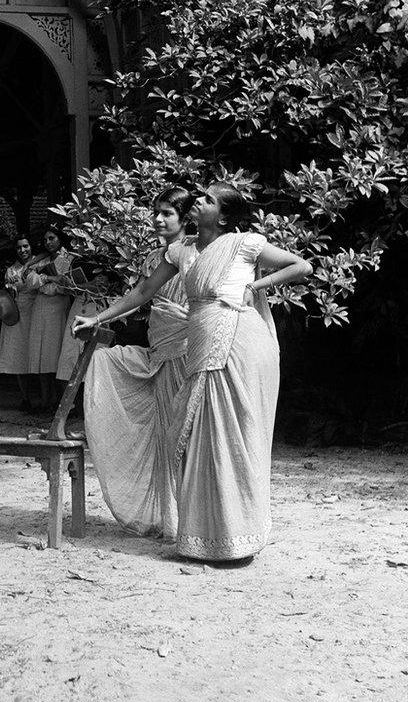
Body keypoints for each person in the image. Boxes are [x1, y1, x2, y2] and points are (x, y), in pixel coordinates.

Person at [74, 182, 311, 563]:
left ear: (224, 215)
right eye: (200, 198)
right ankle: (205, 538)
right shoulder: (180, 250)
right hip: (201, 345)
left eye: (208, 200)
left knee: (231, 432)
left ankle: (238, 538)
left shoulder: (244, 243)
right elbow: (142, 292)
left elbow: (301, 265)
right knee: (194, 435)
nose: (198, 202)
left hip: (240, 343)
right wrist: (97, 317)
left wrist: (255, 285)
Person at [78, 187, 194, 538]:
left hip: (189, 351)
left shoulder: (199, 251)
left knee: (186, 436)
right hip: (159, 352)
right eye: (156, 212)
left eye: (167, 214)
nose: (158, 219)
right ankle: (174, 520)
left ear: (185, 218)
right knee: (164, 433)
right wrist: (98, 319)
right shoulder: (154, 257)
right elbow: (139, 296)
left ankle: (199, 521)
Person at [25, 226, 71, 411]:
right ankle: (45, 399)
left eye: (51, 238)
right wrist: (49, 279)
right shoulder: (42, 259)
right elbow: (30, 282)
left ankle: (60, 401)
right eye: (45, 240)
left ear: (59, 239)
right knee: (40, 354)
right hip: (40, 308)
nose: (48, 243)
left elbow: (63, 287)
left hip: (57, 308)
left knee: (55, 352)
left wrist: (43, 281)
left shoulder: (67, 259)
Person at [0, 234, 38, 411]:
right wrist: (10, 286)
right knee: (19, 355)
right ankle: (25, 397)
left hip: (36, 311)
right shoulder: (11, 270)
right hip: (18, 313)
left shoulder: (39, 264)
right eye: (19, 247)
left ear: (31, 246)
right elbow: (9, 296)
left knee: (38, 354)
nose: (23, 250)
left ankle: (46, 397)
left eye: (25, 246)